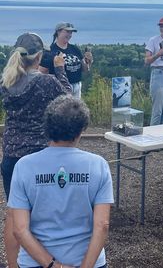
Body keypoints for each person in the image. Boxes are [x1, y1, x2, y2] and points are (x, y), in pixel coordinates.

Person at [8, 95, 113, 268]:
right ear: (81, 130)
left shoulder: (24, 166)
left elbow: (19, 229)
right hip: (87, 261)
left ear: (47, 127)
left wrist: (54, 266)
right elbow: (102, 225)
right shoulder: (98, 165)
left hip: (36, 263)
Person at [0, 32, 71, 268]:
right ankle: (47, 261)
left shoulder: (7, 81)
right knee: (43, 215)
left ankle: (13, 265)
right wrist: (59, 69)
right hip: (40, 157)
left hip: (12, 157)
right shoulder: (46, 82)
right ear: (39, 56)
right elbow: (68, 98)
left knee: (14, 216)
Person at [39, 22, 93, 98]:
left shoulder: (74, 49)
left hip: (77, 86)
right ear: (58, 32)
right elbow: (41, 72)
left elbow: (84, 69)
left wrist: (88, 62)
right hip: (60, 87)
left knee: (76, 109)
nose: (70, 35)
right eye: (67, 31)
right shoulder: (50, 51)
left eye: (71, 32)